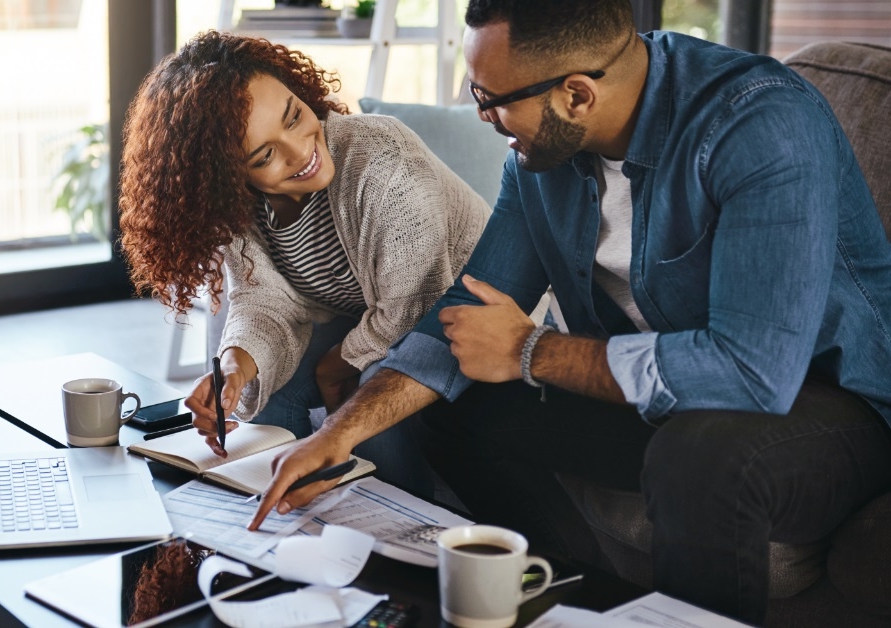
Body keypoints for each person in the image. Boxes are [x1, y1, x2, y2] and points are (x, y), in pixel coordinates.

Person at [251, 0, 891, 623]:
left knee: (699, 459)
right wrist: (337, 435)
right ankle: (573, 602)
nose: (482, 116)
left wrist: (533, 352)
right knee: (455, 407)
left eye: (490, 99)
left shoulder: (761, 124)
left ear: (577, 94)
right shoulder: (541, 159)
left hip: (826, 406)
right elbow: (464, 314)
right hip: (660, 395)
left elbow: (755, 373)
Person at [118, 31, 492, 496]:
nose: (300, 151)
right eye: (266, 155)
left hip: (456, 317)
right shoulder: (241, 207)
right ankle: (277, 507)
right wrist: (234, 369)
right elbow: (266, 300)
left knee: (373, 383)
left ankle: (401, 525)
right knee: (271, 391)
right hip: (371, 314)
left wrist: (336, 368)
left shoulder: (384, 164)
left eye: (295, 116)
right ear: (229, 178)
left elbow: (412, 310)